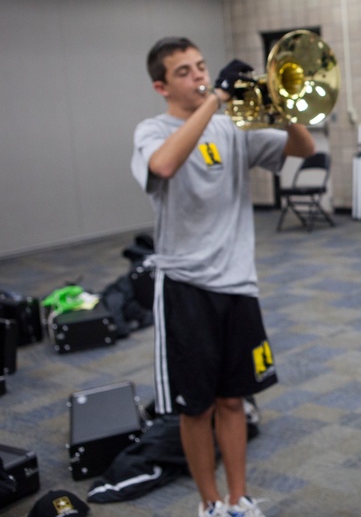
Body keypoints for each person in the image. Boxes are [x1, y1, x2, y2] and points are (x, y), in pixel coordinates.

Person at [132, 37, 316, 517]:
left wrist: (279, 106)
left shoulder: (233, 126)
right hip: (185, 287)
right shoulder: (152, 131)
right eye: (184, 71)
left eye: (201, 66)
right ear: (161, 87)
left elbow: (304, 146)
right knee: (196, 407)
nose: (197, 75)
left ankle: (239, 498)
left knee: (233, 400)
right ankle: (209, 504)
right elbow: (163, 165)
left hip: (238, 284)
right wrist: (215, 97)